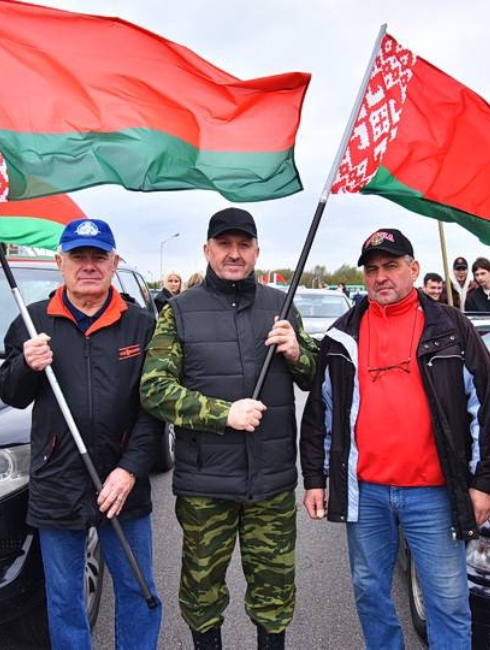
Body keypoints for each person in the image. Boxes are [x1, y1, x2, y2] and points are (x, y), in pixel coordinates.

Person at [301, 228, 490, 650]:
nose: (381, 277)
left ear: (413, 269)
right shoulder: (342, 335)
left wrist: (484, 482)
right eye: (372, 269)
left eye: (391, 266)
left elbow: (486, 406)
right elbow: (321, 411)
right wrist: (316, 479)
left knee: (448, 602)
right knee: (370, 592)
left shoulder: (452, 326)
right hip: (366, 495)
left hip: (434, 495)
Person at [140, 207, 318, 650]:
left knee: (274, 595)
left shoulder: (281, 306)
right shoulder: (179, 312)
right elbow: (154, 390)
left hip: (271, 483)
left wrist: (297, 353)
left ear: (257, 251)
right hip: (206, 485)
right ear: (208, 250)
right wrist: (223, 414)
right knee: (202, 594)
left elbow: (315, 377)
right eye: (224, 244)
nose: (234, 253)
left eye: (243, 245)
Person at [0, 218, 163, 649]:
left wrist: (129, 469)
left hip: (122, 485)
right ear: (60, 263)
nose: (89, 265)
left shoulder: (141, 325)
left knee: (139, 589)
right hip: (58, 481)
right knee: (64, 598)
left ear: (114, 263)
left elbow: (154, 411)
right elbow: (10, 393)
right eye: (78, 256)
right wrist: (25, 365)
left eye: (98, 257)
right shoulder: (33, 321)